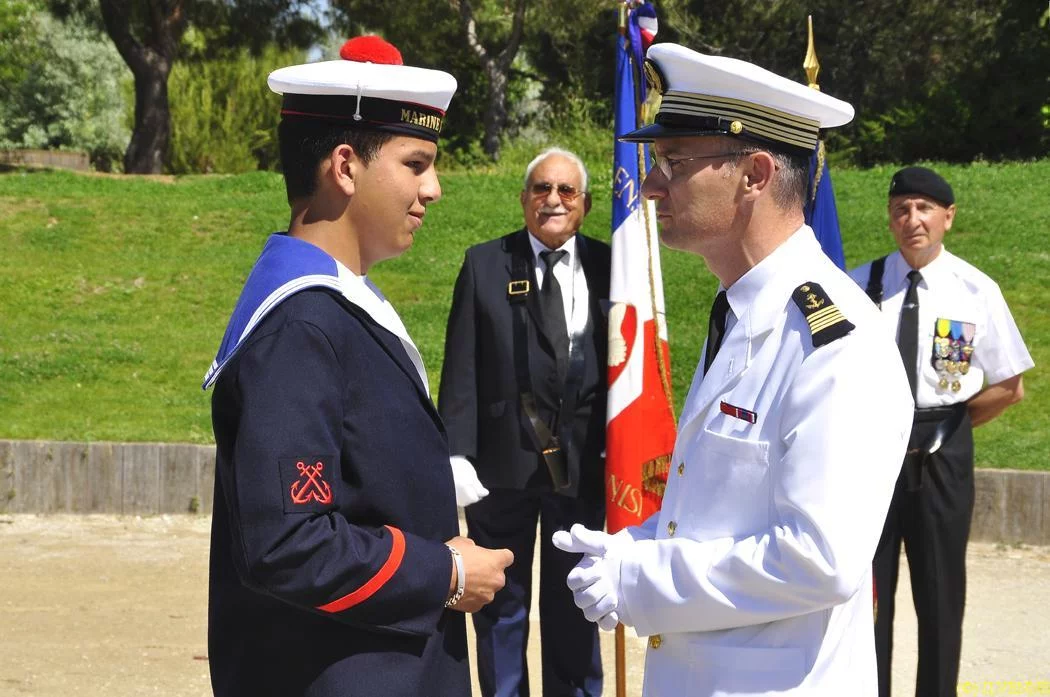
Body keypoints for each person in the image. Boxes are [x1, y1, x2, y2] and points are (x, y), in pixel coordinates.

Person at [552, 43, 914, 696]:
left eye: (675, 162)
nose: (652, 185)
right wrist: (636, 544)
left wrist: (643, 579)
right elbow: (724, 511)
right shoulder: (743, 311)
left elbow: (820, 558)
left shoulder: (833, 341)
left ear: (754, 173)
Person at [202, 36, 513, 697]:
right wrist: (445, 573)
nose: (433, 188)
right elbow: (288, 542)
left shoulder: (335, 306)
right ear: (344, 166)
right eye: (415, 163)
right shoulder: (301, 325)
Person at [849, 166, 1034, 697]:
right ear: (890, 218)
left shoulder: (974, 290)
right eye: (901, 209)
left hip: (942, 450)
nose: (913, 219)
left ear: (947, 218)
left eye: (924, 208)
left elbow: (1010, 386)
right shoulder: (859, 287)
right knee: (868, 593)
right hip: (873, 452)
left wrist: (949, 428)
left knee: (940, 593)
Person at [438, 147, 611, 697]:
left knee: (576, 604)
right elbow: (462, 363)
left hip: (583, 468)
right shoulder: (485, 263)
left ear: (584, 204)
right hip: (502, 466)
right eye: (541, 188)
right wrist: (456, 453)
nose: (553, 200)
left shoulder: (613, 266)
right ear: (523, 199)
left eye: (566, 190)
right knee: (500, 607)